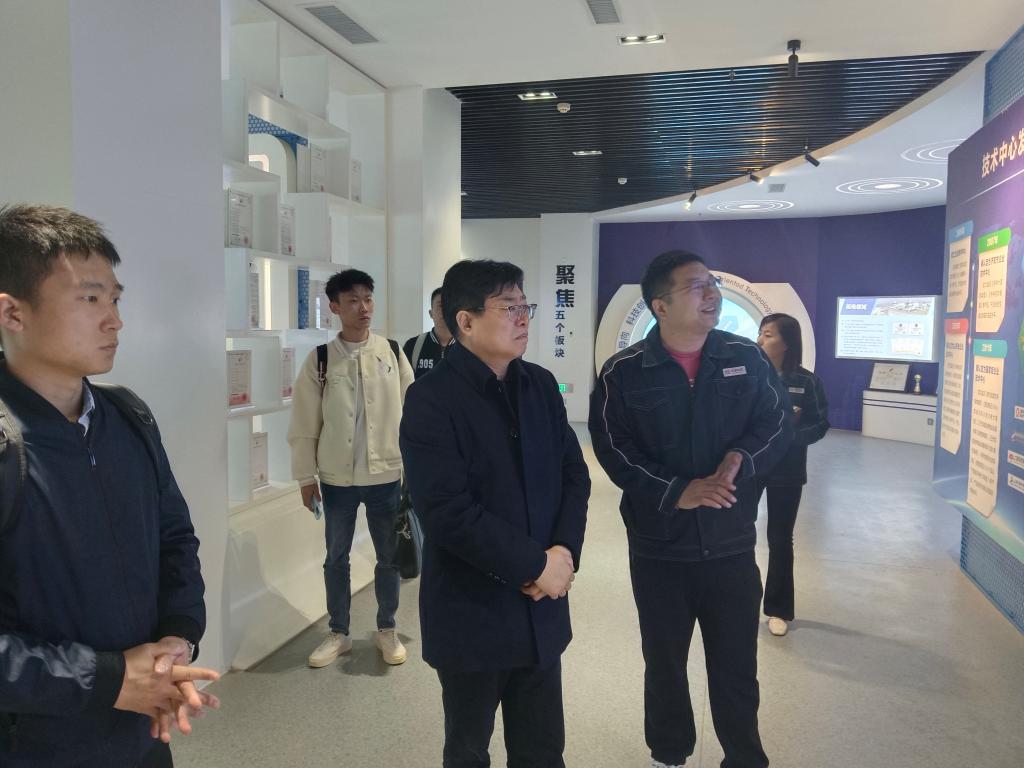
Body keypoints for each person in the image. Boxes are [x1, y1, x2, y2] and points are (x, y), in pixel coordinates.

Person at [0, 204, 218, 767]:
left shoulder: (127, 416)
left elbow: (175, 539)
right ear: (12, 312)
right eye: (90, 299)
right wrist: (110, 679)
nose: (114, 320)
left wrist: (176, 641)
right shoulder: (9, 443)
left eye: (115, 300)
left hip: (143, 736)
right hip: (38, 747)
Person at [589, 250, 793, 768]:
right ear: (660, 306)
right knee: (664, 665)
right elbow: (613, 448)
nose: (712, 294)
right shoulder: (623, 373)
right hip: (659, 550)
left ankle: (744, 757)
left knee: (736, 668)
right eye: (696, 286)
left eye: (712, 284)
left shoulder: (745, 357)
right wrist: (676, 490)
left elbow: (777, 423)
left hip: (730, 544)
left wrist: (742, 457)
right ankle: (669, 753)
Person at [400, 260, 590, 768]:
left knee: (543, 750)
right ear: (465, 321)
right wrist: (536, 565)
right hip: (473, 613)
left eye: (526, 306)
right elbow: (446, 511)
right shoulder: (430, 400)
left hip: (541, 610)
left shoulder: (541, 386)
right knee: (468, 750)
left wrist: (563, 554)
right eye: (509, 308)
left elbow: (574, 476)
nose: (523, 318)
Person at [288, 268, 414, 668]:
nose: (363, 308)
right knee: (336, 557)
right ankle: (339, 632)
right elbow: (305, 424)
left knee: (389, 557)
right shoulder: (321, 359)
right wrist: (305, 477)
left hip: (385, 475)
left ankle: (387, 629)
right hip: (336, 478)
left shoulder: (392, 352)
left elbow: (414, 415)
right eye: (353, 300)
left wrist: (415, 470)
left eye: (368, 298)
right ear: (335, 307)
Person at [755, 313, 830, 637]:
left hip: (787, 470)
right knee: (738, 535)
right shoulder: (748, 375)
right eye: (760, 333)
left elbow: (820, 423)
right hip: (750, 468)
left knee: (780, 538)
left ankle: (778, 609)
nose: (760, 340)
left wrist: (789, 437)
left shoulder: (807, 382)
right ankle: (738, 601)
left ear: (786, 343)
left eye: (768, 334)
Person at [403, 287, 452, 379]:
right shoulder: (413, 346)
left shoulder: (469, 347)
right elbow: (405, 382)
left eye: (449, 305)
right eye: (441, 305)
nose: (445, 310)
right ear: (431, 313)